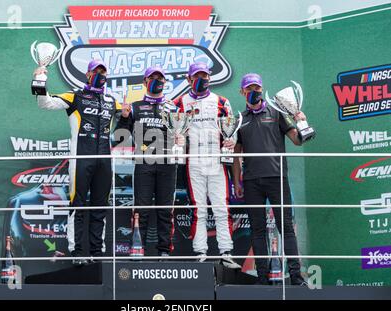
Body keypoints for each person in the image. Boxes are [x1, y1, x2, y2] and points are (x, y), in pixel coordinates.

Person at [33, 59, 121, 265]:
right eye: (96, 71)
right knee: (78, 204)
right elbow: (44, 103)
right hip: (81, 158)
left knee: (100, 206)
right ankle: (77, 251)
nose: (100, 75)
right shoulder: (76, 96)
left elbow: (124, 122)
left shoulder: (111, 100)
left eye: (103, 71)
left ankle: (97, 253)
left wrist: (125, 116)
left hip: (105, 161)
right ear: (88, 75)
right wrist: (39, 77)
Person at [232, 73, 308, 285]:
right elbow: (236, 154)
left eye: (257, 88)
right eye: (249, 89)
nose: (254, 92)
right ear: (242, 92)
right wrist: (237, 181)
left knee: (285, 227)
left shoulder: (277, 112)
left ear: (261, 88)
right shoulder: (239, 119)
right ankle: (263, 279)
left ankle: (296, 277)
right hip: (251, 181)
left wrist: (301, 122)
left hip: (277, 178)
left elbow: (297, 141)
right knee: (257, 230)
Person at [173, 62, 240, 269]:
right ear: (189, 79)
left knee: (221, 208)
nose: (202, 79)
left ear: (210, 77)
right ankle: (200, 252)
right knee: (198, 209)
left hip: (217, 161)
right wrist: (176, 138)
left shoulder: (221, 101)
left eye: (205, 75)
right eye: (197, 76)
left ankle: (226, 252)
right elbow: (170, 127)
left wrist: (232, 140)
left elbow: (232, 130)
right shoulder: (179, 102)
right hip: (193, 161)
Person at [115, 66, 181, 257]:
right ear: (145, 82)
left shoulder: (172, 107)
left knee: (165, 210)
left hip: (168, 163)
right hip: (143, 162)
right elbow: (120, 137)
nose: (157, 81)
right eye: (152, 78)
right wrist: (124, 117)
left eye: (160, 78)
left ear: (165, 82)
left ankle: (164, 251)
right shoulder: (135, 106)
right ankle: (138, 247)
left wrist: (180, 139)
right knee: (141, 210)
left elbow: (182, 133)